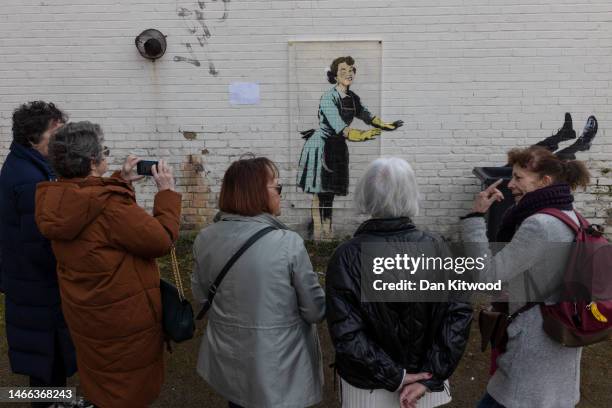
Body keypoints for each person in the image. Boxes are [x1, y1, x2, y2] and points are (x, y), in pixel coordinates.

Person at [35, 121, 182, 407]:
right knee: (126, 390)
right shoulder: (111, 206)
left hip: (88, 314)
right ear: (92, 162)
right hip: (122, 321)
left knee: (102, 378)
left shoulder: (55, 198)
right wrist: (167, 192)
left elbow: (90, 205)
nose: (106, 155)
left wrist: (120, 180)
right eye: (104, 151)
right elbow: (162, 240)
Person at [326, 157, 473, 408]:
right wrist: (429, 375)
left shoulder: (346, 255)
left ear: (366, 194)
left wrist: (402, 376)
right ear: (412, 194)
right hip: (423, 387)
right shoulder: (437, 246)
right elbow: (457, 315)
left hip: (370, 390)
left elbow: (347, 331)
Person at [462, 146, 591, 408]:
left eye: (519, 178)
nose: (510, 184)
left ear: (545, 182)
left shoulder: (539, 225)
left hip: (532, 352)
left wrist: (475, 217)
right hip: (560, 344)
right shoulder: (573, 217)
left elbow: (486, 276)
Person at [192, 156, 326, 408]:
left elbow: (201, 296)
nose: (280, 194)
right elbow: (315, 310)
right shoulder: (288, 243)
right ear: (256, 194)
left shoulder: (204, 239)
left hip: (231, 366)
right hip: (278, 371)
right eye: (277, 187)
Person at [0, 101, 78, 407]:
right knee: (47, 361)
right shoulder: (29, 181)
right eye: (55, 132)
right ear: (34, 137)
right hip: (39, 289)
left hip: (30, 285)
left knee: (47, 361)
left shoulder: (29, 165)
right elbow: (41, 246)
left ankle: (56, 401)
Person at [297, 56, 403, 240]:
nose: (349, 73)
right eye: (343, 70)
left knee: (329, 192)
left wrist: (387, 126)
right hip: (322, 146)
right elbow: (341, 128)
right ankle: (319, 234)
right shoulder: (328, 98)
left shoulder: (353, 98)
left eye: (351, 70)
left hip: (338, 147)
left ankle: (326, 232)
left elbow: (368, 116)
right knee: (320, 191)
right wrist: (365, 135)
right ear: (335, 76)